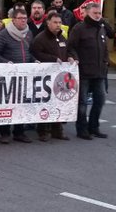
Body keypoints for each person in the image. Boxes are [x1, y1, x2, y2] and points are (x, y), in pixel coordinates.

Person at [67, 2, 113, 140]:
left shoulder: (102, 27)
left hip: (99, 72)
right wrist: (75, 59)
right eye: (95, 13)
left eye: (99, 13)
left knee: (100, 100)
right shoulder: (79, 28)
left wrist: (106, 62)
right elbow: (71, 47)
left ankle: (94, 127)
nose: (98, 16)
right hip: (84, 71)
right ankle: (82, 129)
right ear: (87, 13)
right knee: (82, 103)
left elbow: (110, 37)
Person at [0, 8, 34, 144]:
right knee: (7, 104)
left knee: (21, 104)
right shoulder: (4, 34)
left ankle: (19, 132)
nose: (23, 20)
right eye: (20, 18)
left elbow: (30, 52)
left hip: (25, 75)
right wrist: (7, 63)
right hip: (8, 75)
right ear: (13, 20)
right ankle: (5, 132)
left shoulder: (29, 34)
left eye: (25, 18)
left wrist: (34, 61)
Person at [30, 12, 73, 141]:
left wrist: (71, 57)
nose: (58, 25)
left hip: (59, 78)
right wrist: (53, 59)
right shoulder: (40, 38)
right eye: (55, 22)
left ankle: (57, 129)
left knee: (58, 103)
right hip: (45, 78)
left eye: (60, 22)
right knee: (45, 104)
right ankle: (43, 131)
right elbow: (36, 53)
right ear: (48, 22)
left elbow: (69, 50)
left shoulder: (62, 38)